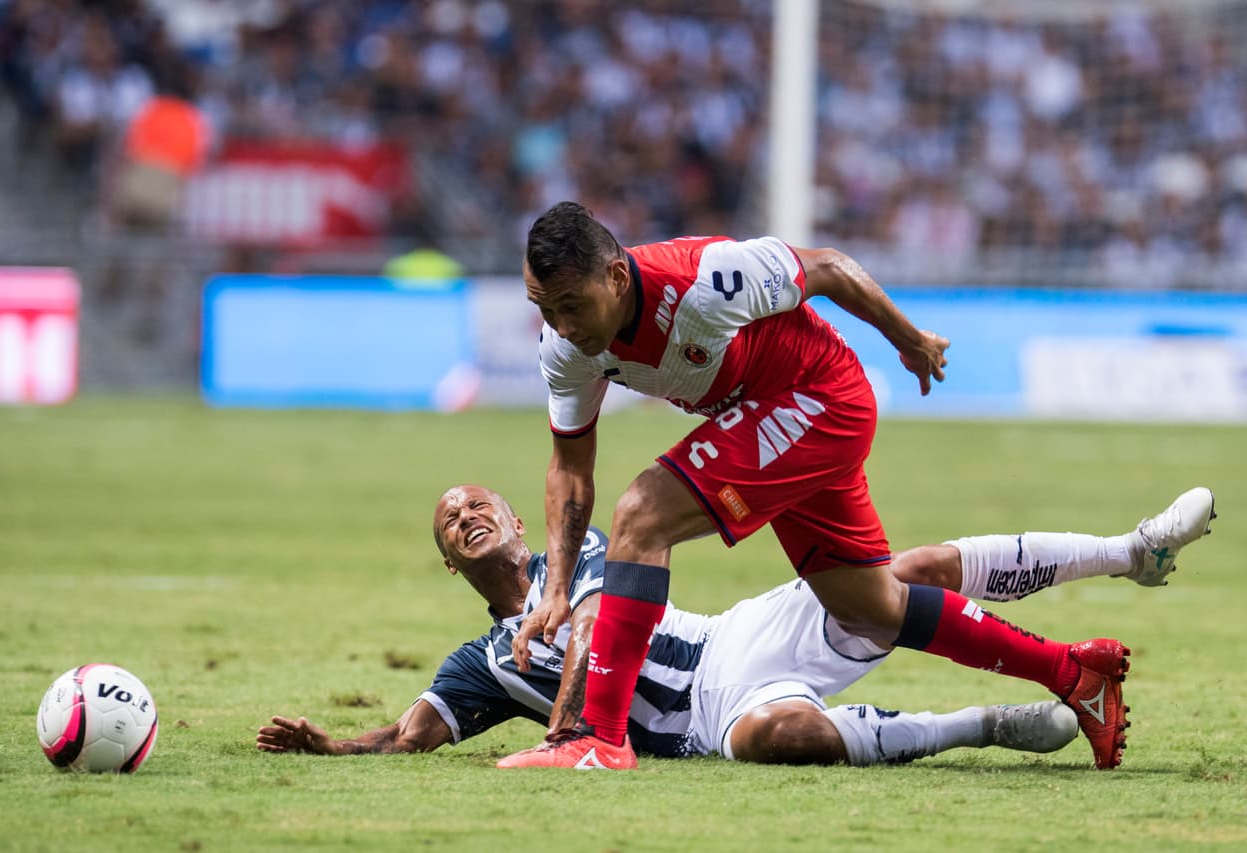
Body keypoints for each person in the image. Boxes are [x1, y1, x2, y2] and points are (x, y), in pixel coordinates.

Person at [503, 201, 1213, 771]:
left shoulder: (706, 279)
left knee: (641, 515)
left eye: (571, 303)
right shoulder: (565, 348)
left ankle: (598, 734)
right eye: (545, 308)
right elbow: (569, 464)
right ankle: (1075, 674)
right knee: (871, 606)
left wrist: (907, 338)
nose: (561, 325)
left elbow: (833, 268)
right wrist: (560, 586)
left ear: (617, 278)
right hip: (774, 415)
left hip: (818, 396)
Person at [257, 484, 1214, 767]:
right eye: (449, 520)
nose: (467, 513)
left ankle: (1130, 551)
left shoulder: (582, 548)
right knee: (772, 738)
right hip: (706, 724)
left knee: (905, 571)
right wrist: (331, 744)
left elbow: (593, 628)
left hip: (734, 639)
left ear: (515, 521)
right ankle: (986, 725)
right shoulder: (477, 659)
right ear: (451, 559)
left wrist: (566, 731)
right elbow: (410, 732)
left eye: (480, 504)